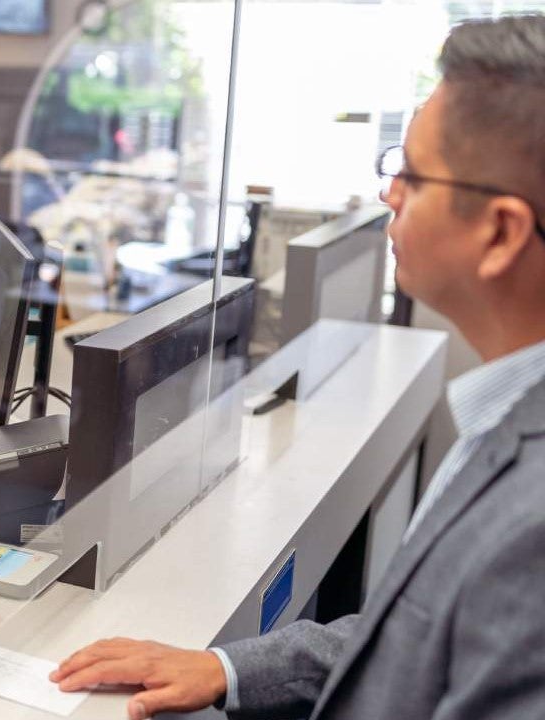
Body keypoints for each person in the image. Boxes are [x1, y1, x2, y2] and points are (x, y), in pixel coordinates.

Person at [50, 15, 545, 720]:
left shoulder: (534, 518)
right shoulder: (511, 416)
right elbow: (415, 639)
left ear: (499, 232)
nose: (388, 195)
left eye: (410, 173)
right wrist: (225, 666)